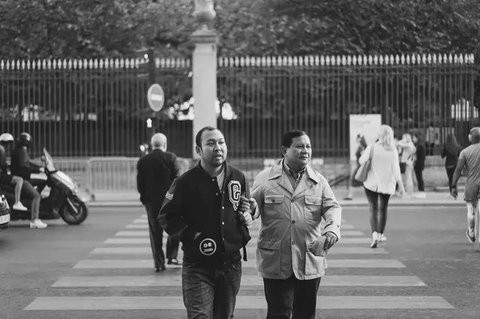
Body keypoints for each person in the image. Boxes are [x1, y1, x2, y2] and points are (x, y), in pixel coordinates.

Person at [158, 126, 253, 319]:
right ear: (199, 150)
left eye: (221, 142)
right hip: (198, 265)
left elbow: (244, 209)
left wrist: (247, 215)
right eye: (210, 143)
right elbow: (166, 216)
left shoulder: (238, 177)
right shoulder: (184, 182)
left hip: (231, 264)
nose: (218, 147)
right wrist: (192, 236)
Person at [250, 129, 341, 319]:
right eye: (299, 146)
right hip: (275, 259)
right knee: (278, 313)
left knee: (305, 314)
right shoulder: (264, 179)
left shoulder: (319, 181)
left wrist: (331, 231)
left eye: (308, 146)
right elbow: (253, 208)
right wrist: (249, 209)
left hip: (308, 257)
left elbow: (332, 207)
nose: (305, 151)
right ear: (285, 150)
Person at [137, 133, 181, 272]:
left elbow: (140, 184)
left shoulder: (143, 161)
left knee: (155, 232)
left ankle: (159, 263)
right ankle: (172, 256)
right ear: (165, 144)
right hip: (169, 200)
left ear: (152, 145)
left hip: (151, 201)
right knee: (175, 228)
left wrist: (144, 198)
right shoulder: (171, 158)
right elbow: (177, 180)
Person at [360, 125, 405, 248]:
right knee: (383, 209)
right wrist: (401, 185)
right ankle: (380, 234)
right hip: (387, 184)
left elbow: (361, 161)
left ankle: (374, 234)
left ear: (379, 135)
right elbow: (396, 169)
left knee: (373, 207)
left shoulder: (372, 147)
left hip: (371, 183)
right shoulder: (393, 150)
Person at [10, 132, 46, 229]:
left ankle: (34, 205)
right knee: (36, 196)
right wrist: (37, 170)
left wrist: (40, 167)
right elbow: (24, 167)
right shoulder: (21, 152)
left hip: (24, 178)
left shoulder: (20, 151)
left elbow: (28, 163)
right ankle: (35, 220)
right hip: (23, 179)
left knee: (42, 182)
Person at [451, 127, 480, 243]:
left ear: (470, 138)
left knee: (471, 210)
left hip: (471, 185)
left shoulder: (465, 152)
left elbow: (458, 170)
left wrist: (453, 185)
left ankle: (471, 232)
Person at [0, 133, 28, 211]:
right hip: (1, 175)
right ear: (6, 142)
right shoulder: (1, 149)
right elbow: (2, 164)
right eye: (9, 143)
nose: (10, 145)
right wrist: (7, 168)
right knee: (19, 180)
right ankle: (17, 202)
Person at [346, 134, 368, 199]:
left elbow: (364, 157)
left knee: (353, 180)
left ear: (360, 139)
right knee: (364, 182)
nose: (356, 139)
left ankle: (350, 196)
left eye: (358, 138)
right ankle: (350, 195)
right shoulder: (361, 147)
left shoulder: (361, 147)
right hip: (360, 166)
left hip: (360, 167)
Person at [397, 133, 416, 198]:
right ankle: (407, 192)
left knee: (408, 179)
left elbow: (398, 143)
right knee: (407, 178)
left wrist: (403, 140)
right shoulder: (411, 145)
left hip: (408, 163)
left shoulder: (409, 145)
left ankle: (409, 193)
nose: (402, 139)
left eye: (403, 137)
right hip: (409, 163)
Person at [412, 133, 426, 198]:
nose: (413, 139)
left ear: (417, 138)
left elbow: (422, 157)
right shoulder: (417, 145)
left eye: (414, 137)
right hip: (416, 164)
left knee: (420, 178)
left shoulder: (420, 146)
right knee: (418, 177)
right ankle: (420, 189)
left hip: (419, 164)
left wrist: (421, 165)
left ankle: (422, 190)